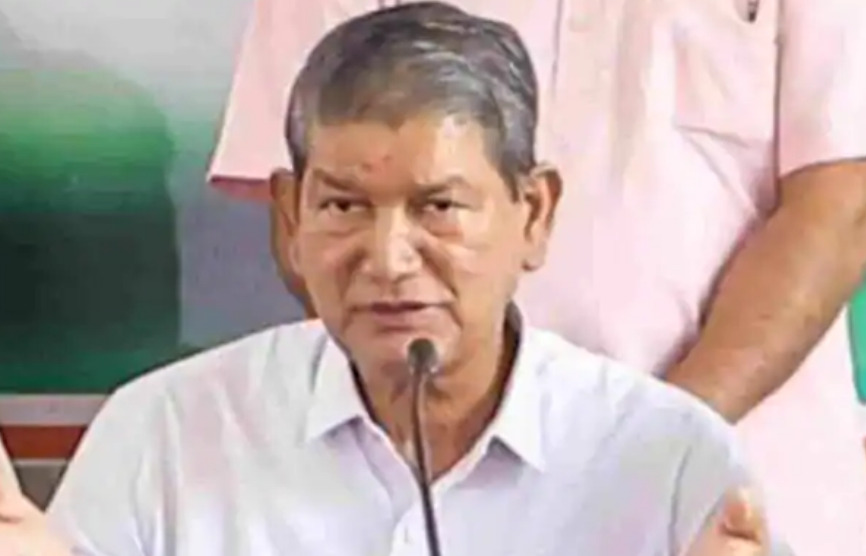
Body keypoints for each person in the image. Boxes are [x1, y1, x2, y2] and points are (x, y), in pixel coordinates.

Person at [26, 5, 788, 555]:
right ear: (291, 216)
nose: (388, 259)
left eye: (439, 208)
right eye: (344, 206)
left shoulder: (671, 459)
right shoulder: (164, 435)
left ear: (532, 214)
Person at [209, 0, 866, 554]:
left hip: (737, 499)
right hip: (437, 497)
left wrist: (643, 453)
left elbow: (841, 210)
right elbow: (321, 213)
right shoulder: (166, 436)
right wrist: (493, 453)